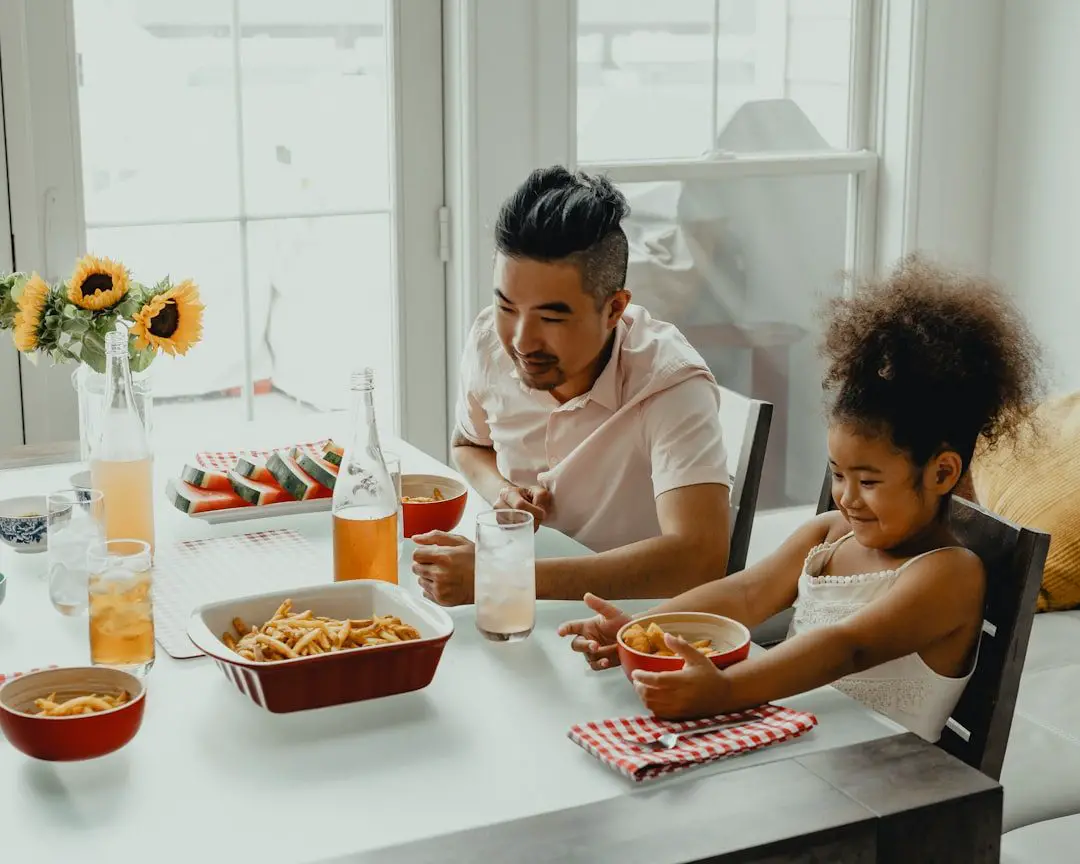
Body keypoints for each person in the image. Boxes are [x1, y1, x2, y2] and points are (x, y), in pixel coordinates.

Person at [559, 256, 1042, 743]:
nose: (847, 498)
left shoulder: (948, 574)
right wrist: (643, 627)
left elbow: (846, 647)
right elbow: (745, 594)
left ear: (941, 472)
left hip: (885, 789)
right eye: (838, 474)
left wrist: (724, 691)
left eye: (869, 482)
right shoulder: (829, 537)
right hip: (792, 747)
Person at [412, 166, 731, 606]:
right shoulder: (489, 339)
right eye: (507, 306)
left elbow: (700, 559)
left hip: (631, 623)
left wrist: (506, 576)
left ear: (615, 308)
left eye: (552, 317)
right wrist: (502, 492)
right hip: (519, 608)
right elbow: (469, 445)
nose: (522, 339)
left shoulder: (669, 385)